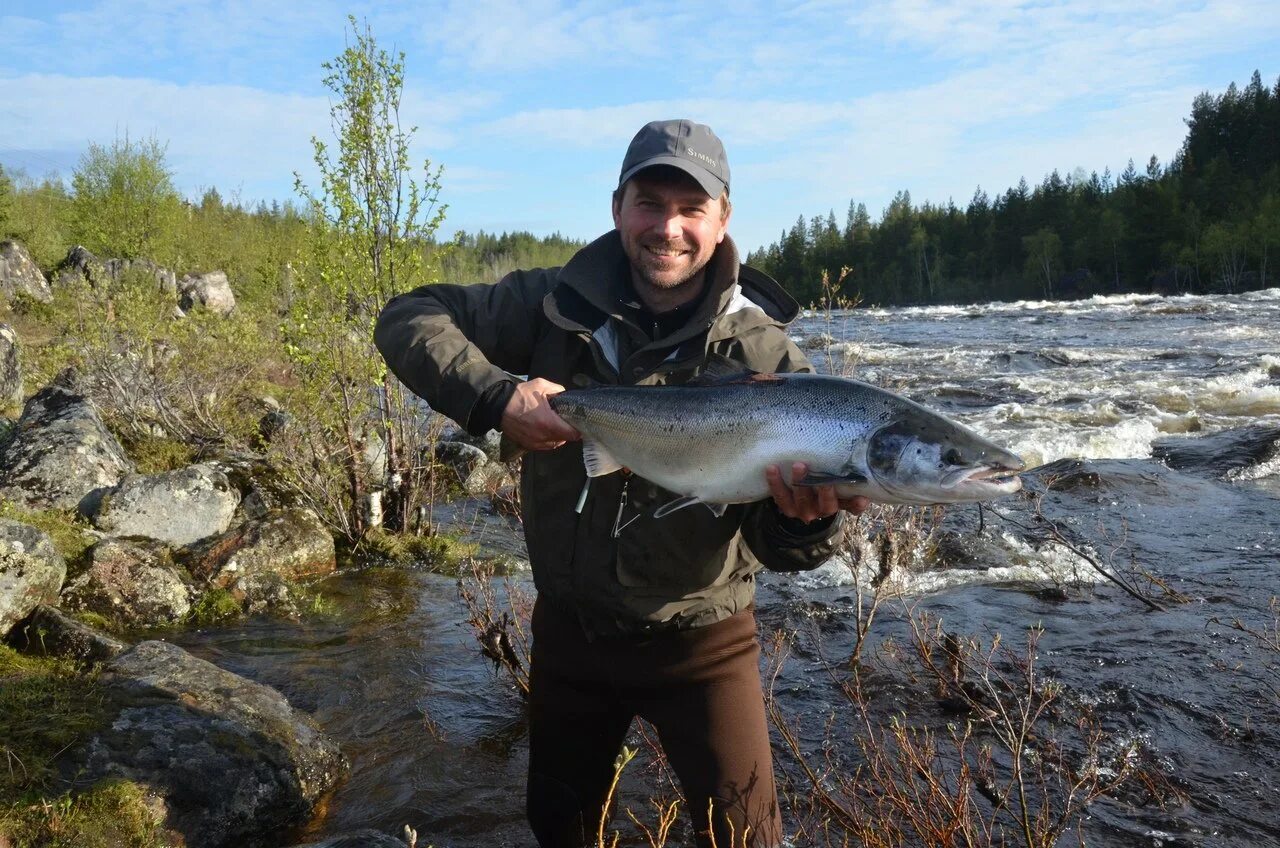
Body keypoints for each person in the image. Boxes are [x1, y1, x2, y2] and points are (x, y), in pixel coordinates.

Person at [375, 119, 867, 848]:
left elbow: (778, 544)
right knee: (560, 830)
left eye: (690, 209)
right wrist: (497, 399)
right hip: (570, 636)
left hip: (704, 646)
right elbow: (408, 316)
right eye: (649, 204)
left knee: (749, 841)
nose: (667, 228)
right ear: (617, 208)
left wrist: (804, 521)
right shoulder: (553, 306)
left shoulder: (764, 354)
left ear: (722, 220)